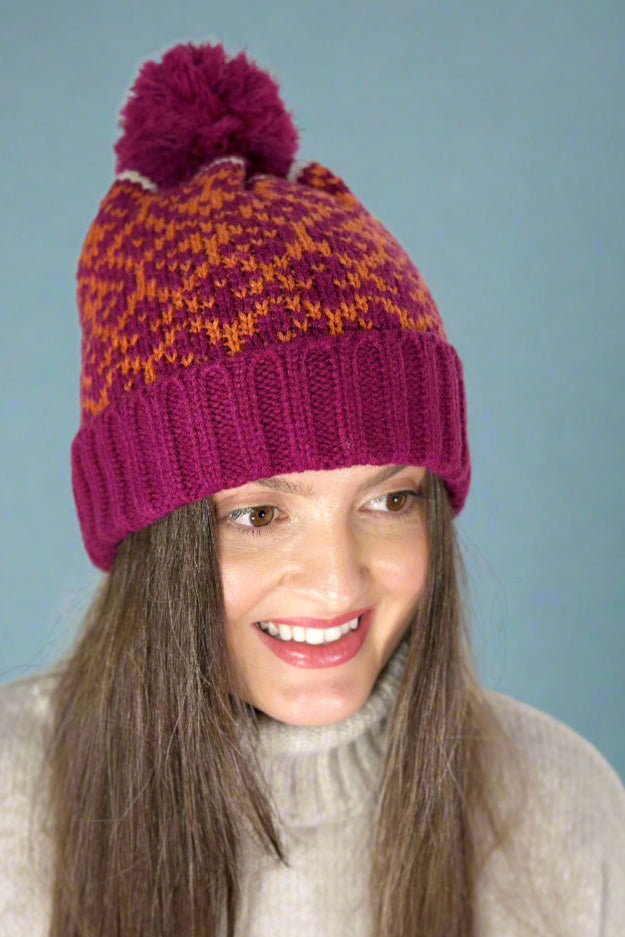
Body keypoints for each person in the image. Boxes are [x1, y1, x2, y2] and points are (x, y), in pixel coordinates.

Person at [0, 40, 623, 937]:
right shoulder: (20, 808)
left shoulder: (561, 811)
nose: (337, 582)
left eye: (388, 500)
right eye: (258, 513)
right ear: (150, 535)